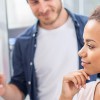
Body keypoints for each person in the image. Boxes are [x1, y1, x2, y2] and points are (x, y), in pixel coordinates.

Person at [0, 0, 97, 100]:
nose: (43, 8)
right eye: (35, 2)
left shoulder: (90, 27)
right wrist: (4, 90)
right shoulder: (22, 43)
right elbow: (19, 91)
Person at [60, 5, 100, 100]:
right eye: (84, 43)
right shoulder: (85, 94)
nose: (80, 52)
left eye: (90, 46)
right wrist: (65, 97)